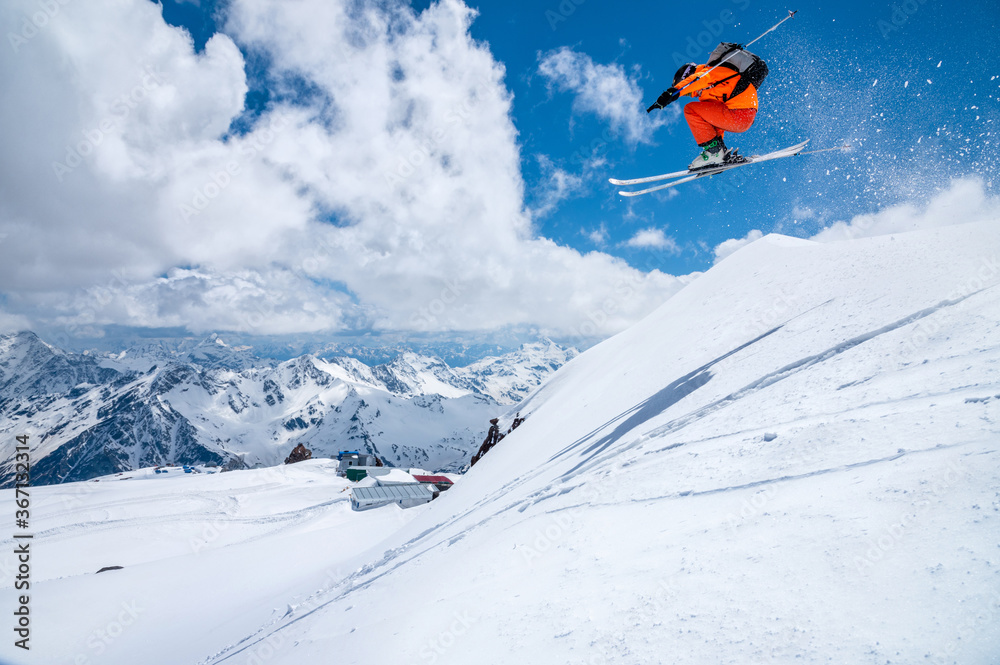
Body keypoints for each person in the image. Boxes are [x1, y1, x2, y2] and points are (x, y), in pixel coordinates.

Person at [647, 43, 766, 170]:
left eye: (688, 92)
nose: (691, 94)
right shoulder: (712, 91)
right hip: (743, 117)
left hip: (740, 113)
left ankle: (714, 153)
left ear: (687, 77)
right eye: (688, 94)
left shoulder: (709, 72)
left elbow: (697, 79)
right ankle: (717, 153)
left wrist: (673, 92)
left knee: (690, 109)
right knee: (705, 112)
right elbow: (716, 120)